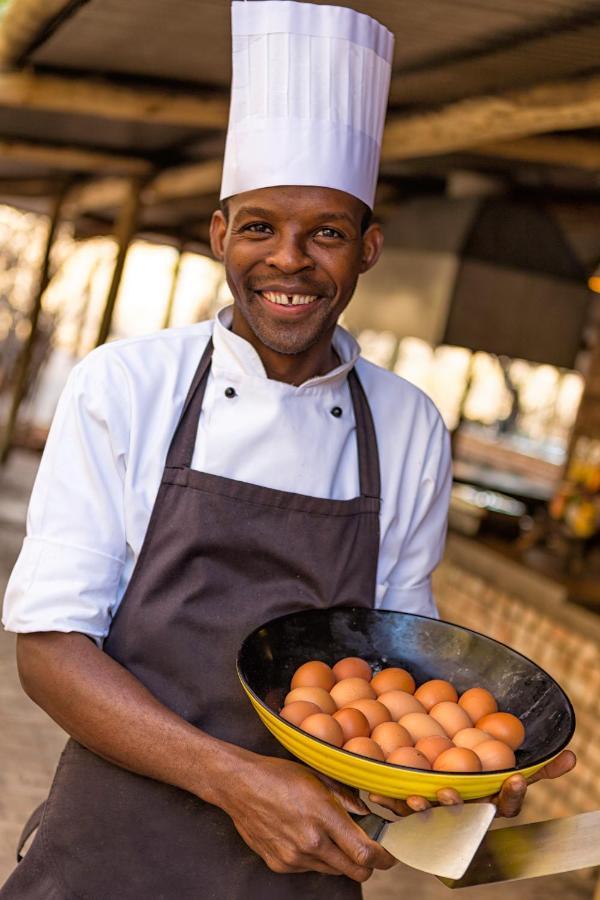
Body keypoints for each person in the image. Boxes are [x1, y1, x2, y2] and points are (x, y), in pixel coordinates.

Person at [1, 2, 575, 898]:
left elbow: (390, 667)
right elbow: (48, 651)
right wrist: (236, 780)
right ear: (220, 234)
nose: (291, 261)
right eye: (262, 226)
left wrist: (440, 774)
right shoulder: (126, 385)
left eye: (328, 233)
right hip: (112, 845)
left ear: (369, 248)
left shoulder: (408, 423)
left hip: (305, 860)